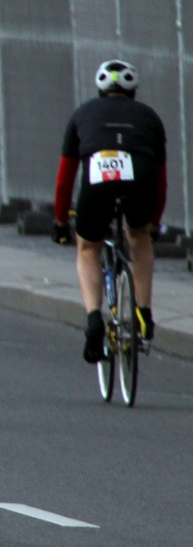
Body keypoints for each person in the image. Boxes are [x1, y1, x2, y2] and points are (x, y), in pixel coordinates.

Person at [54, 60, 168, 362]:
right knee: (138, 235)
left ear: (100, 90)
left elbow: (64, 180)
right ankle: (144, 313)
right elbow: (161, 180)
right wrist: (154, 222)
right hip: (141, 176)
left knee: (88, 247)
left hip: (99, 174)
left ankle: (94, 317)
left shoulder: (82, 114)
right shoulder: (149, 117)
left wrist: (60, 221)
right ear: (133, 91)